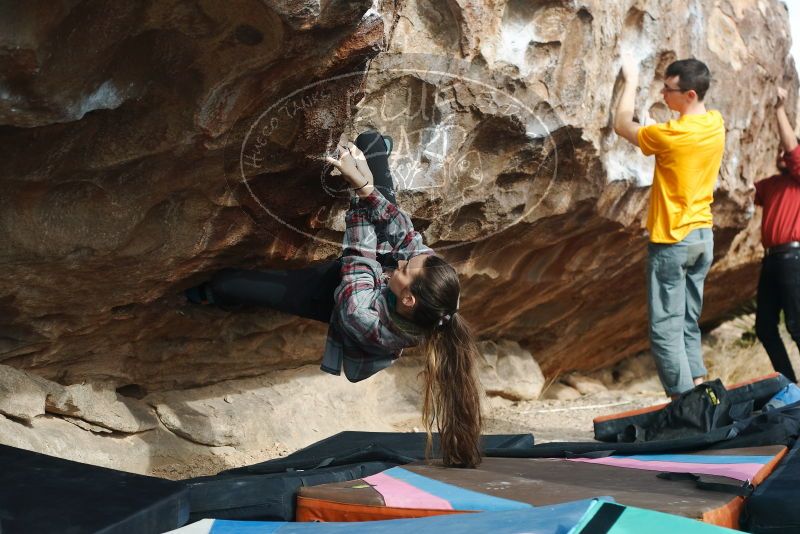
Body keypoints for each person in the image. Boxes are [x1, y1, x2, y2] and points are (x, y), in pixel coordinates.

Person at [187, 131, 483, 467]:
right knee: (370, 142)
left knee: (228, 282)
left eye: (406, 267)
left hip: (337, 296)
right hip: (372, 270)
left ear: (409, 300)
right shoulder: (436, 282)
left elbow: (357, 257)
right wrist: (369, 188)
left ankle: (216, 295)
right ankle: (375, 153)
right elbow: (406, 237)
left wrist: (358, 187)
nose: (406, 259)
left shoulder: (363, 318)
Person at [613, 57, 726, 398]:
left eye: (668, 89)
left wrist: (630, 80)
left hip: (673, 241)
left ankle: (682, 405)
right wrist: (656, 127)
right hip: (702, 237)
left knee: (665, 328)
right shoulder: (715, 123)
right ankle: (700, 395)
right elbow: (676, 139)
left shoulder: (671, 136)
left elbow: (621, 124)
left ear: (690, 94)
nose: (662, 93)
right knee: (688, 324)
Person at [753, 86, 800, 383]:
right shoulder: (770, 184)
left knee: (797, 326)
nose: (782, 154)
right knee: (764, 326)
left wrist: (779, 109)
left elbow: (793, 150)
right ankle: (790, 384)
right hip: (771, 260)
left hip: (793, 258)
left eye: (787, 152)